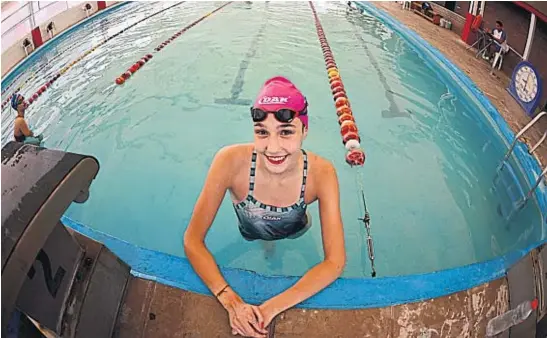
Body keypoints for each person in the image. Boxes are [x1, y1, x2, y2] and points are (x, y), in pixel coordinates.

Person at [184, 76, 346, 337]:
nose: (272, 147)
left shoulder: (322, 173)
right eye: (262, 132)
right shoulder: (229, 162)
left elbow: (334, 262)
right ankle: (269, 248)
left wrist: (268, 309)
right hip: (251, 231)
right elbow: (192, 240)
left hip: (296, 228)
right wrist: (230, 300)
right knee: (262, 242)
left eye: (286, 132)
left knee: (309, 254)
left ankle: (276, 249)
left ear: (305, 130)